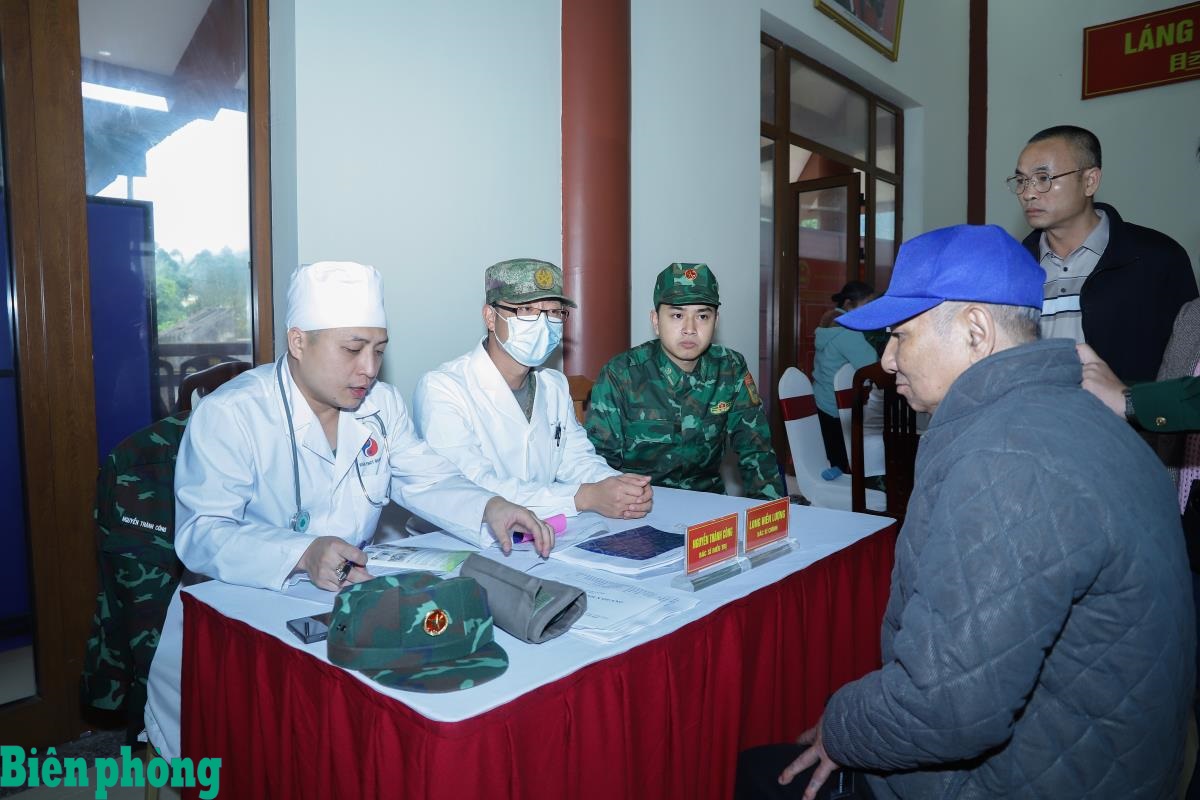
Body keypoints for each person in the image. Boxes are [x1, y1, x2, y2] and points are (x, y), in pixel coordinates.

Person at [735, 225, 1193, 799]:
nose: (889, 360)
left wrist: (841, 726)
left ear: (976, 331)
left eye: (900, 336)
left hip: (1019, 779)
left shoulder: (1005, 459)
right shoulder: (1081, 420)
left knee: (752, 775)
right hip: (1098, 762)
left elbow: (945, 706)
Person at [144, 261, 554, 761]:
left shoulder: (382, 406)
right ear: (298, 342)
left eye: (379, 350)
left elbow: (427, 478)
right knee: (265, 751)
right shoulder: (232, 414)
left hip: (349, 604)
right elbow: (203, 533)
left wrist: (491, 506)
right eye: (352, 349)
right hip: (242, 615)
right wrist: (301, 553)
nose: (369, 369)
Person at [412, 258, 652, 520]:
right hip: (466, 536)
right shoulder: (443, 388)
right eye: (526, 309)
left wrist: (619, 487)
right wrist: (581, 497)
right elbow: (472, 487)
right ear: (490, 317)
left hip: (547, 529)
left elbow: (576, 460)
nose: (542, 323)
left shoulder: (554, 385)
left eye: (554, 312)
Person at [1011, 124, 1197, 384]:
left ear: (1090, 181)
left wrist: (1131, 402)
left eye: (1043, 179)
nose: (1028, 193)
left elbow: (1186, 373)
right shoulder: (1012, 268)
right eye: (1021, 181)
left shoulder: (1156, 259)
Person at [585, 263, 785, 500]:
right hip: (639, 505)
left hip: (708, 504)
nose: (690, 329)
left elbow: (756, 449)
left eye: (702, 316)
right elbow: (599, 465)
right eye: (677, 315)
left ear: (715, 322)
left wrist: (771, 513)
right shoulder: (621, 374)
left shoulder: (730, 368)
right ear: (656, 321)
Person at [812, 281, 878, 477]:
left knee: (834, 458)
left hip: (822, 399)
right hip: (838, 406)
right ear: (849, 304)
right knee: (844, 462)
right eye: (867, 304)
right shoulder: (847, 331)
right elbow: (871, 364)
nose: (871, 310)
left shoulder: (829, 328)